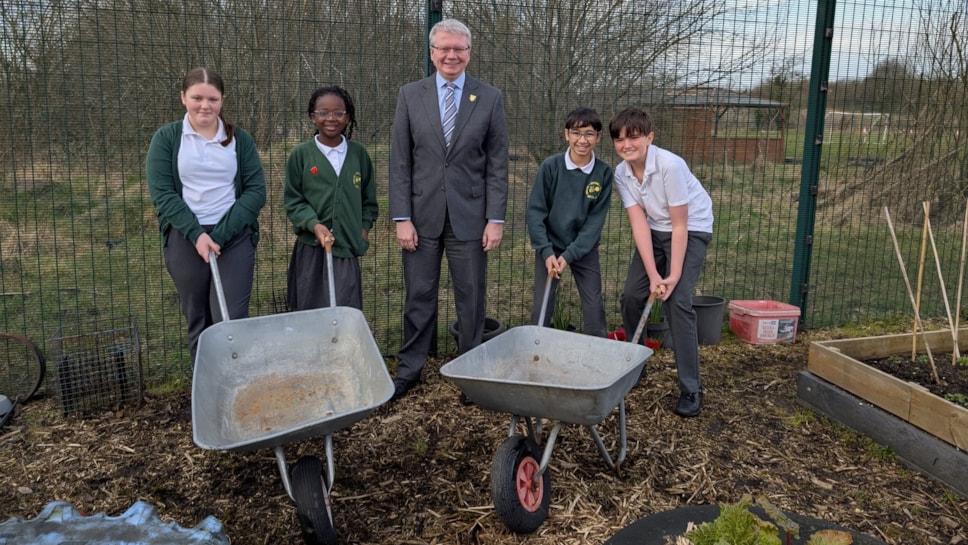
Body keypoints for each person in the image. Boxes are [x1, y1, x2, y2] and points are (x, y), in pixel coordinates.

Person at [388, 18, 509, 401]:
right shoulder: (410, 95)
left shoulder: (489, 98)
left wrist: (495, 219)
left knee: (471, 296)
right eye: (444, 48)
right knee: (419, 295)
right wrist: (401, 217)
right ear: (432, 52)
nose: (452, 55)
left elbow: (498, 164)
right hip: (420, 218)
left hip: (471, 217)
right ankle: (410, 370)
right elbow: (400, 161)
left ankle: (471, 373)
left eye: (459, 49)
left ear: (469, 53)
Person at [146, 67, 267, 361]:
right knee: (199, 319)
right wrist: (197, 234)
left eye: (212, 99)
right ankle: (207, 392)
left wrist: (220, 235)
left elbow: (256, 192)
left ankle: (235, 385)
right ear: (183, 98)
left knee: (230, 318)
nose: (205, 105)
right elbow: (163, 193)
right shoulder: (167, 138)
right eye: (197, 97)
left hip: (234, 237)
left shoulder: (240, 140)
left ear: (222, 100)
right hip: (185, 237)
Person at [609, 107, 713, 417]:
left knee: (677, 300)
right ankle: (636, 365)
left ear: (650, 138)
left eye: (634, 137)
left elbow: (680, 225)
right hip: (655, 230)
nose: (626, 144)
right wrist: (654, 273)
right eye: (619, 139)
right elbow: (639, 224)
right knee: (631, 295)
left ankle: (691, 388)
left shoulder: (670, 165)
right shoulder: (621, 173)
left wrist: (673, 273)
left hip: (691, 228)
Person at [284, 85, 378, 311]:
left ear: (348, 117)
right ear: (313, 117)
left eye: (338, 113)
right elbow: (293, 202)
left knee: (345, 312)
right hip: (311, 250)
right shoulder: (301, 155)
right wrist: (314, 225)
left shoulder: (358, 154)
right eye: (323, 113)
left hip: (346, 248)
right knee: (310, 312)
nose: (331, 118)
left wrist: (362, 232)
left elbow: (369, 202)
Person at [526, 107, 612, 336]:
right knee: (542, 304)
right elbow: (535, 212)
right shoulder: (550, 167)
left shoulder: (603, 173)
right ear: (566, 135)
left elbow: (595, 222)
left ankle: (598, 351)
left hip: (583, 248)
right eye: (576, 133)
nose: (582, 140)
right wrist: (546, 251)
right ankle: (537, 352)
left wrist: (570, 255)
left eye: (589, 134)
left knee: (593, 303)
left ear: (598, 137)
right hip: (550, 246)